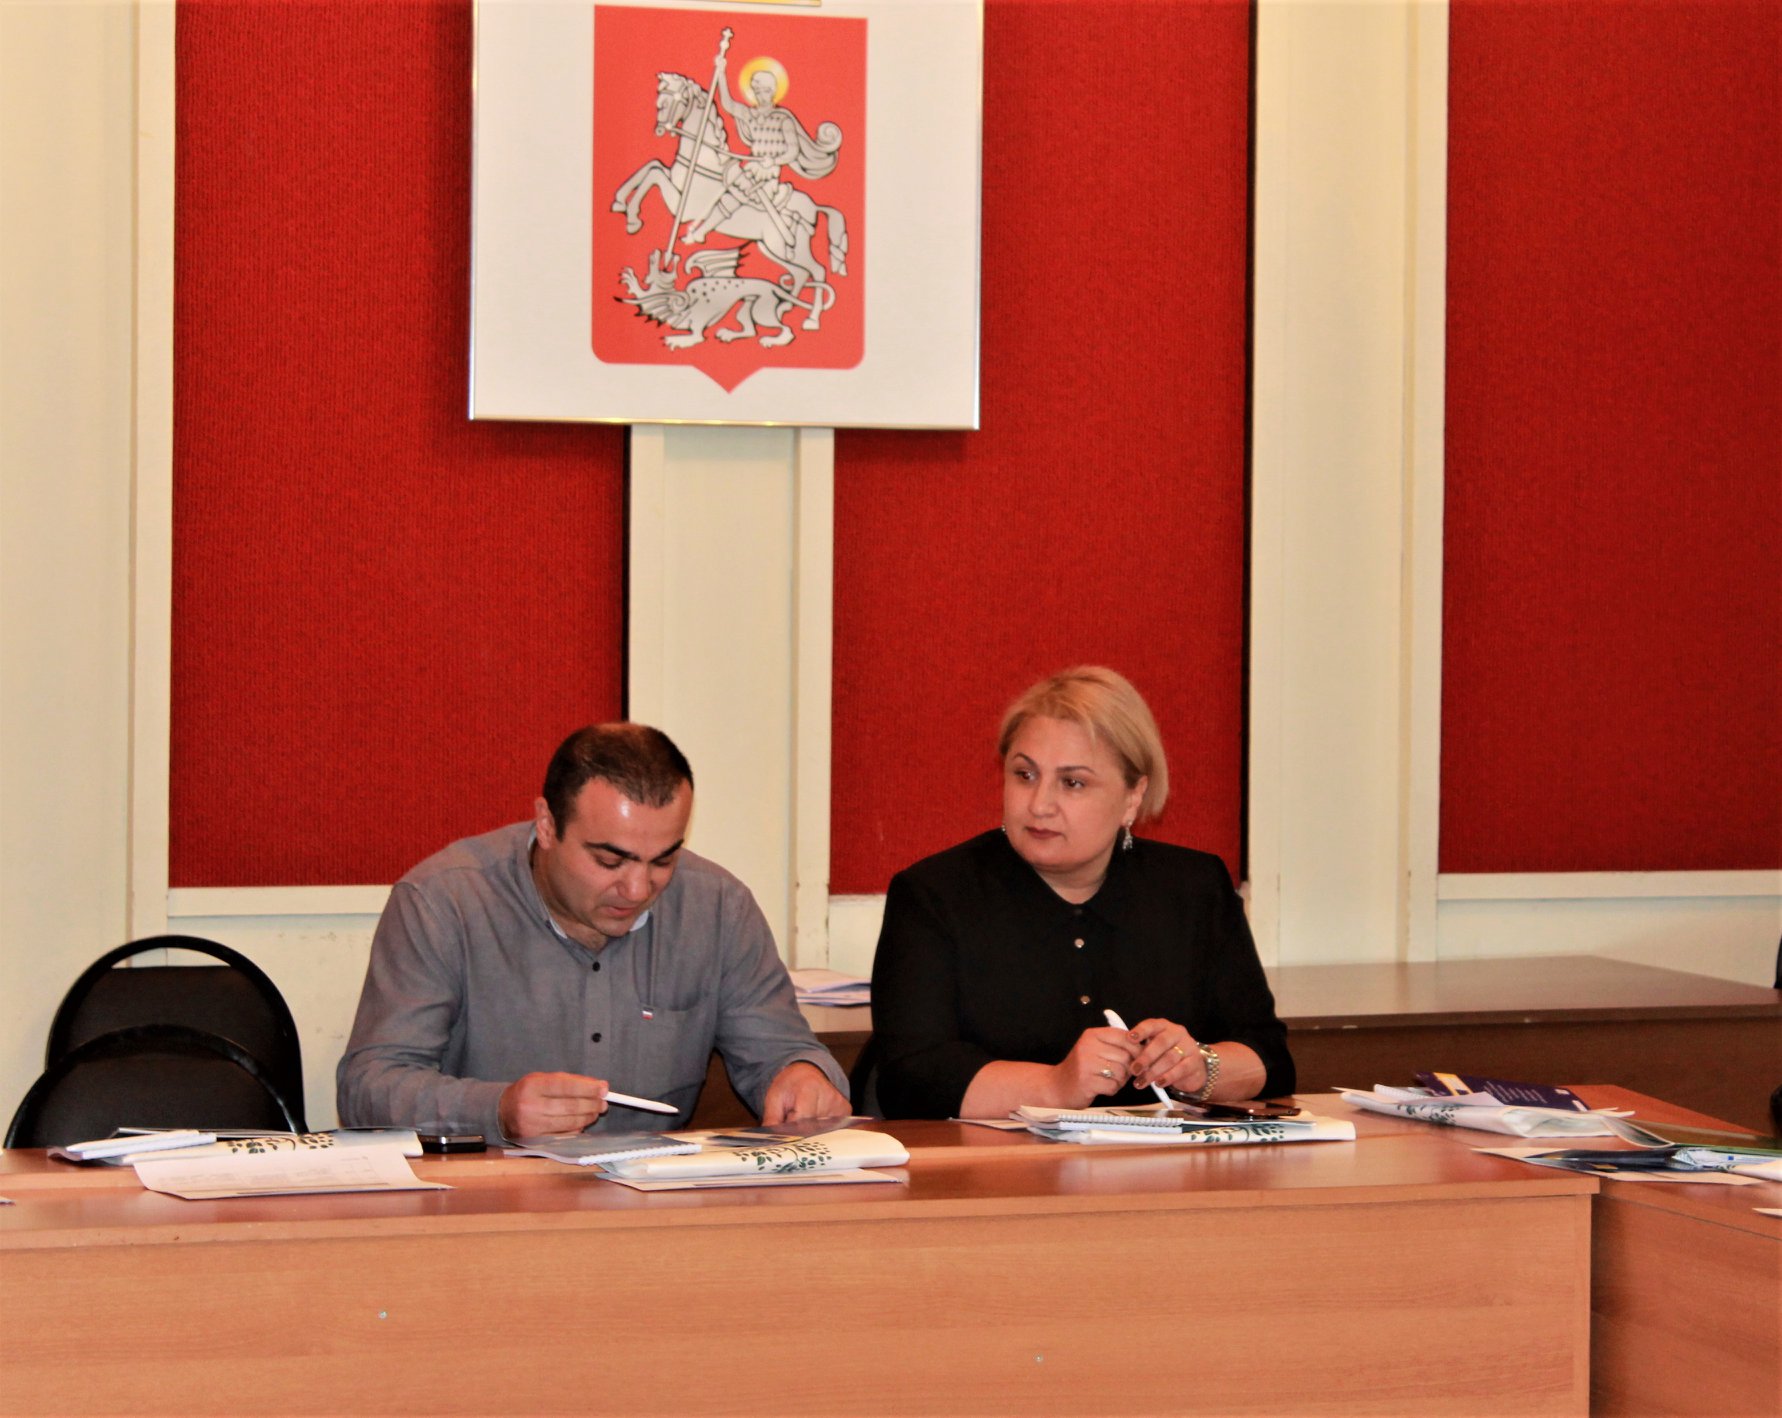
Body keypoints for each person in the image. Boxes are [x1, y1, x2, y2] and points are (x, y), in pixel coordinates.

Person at [337, 723, 849, 1139]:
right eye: (609, 860)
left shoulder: (718, 908)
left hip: (657, 1201)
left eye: (663, 860)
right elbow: (369, 1086)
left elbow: (780, 1049)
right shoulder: (445, 904)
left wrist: (802, 1076)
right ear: (547, 825)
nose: (638, 888)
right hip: (484, 1198)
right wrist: (497, 1109)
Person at [870, 666, 1294, 1120]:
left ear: (1133, 796)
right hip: (992, 1159)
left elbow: (1270, 1059)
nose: (1039, 804)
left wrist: (1201, 1067)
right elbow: (909, 1079)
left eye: (1072, 783)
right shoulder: (935, 895)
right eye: (1024, 775)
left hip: (1158, 1160)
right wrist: (1055, 1086)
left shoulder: (1194, 887)